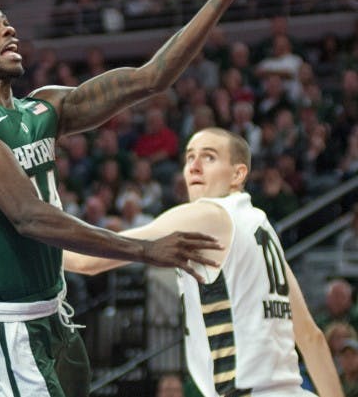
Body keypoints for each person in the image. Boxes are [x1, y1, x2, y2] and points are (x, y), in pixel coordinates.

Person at [0, 0, 294, 397]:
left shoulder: (44, 107)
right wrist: (143, 250)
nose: (8, 29)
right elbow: (29, 216)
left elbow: (151, 77)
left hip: (53, 313)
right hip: (4, 323)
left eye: (7, 21)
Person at [64, 128, 343, 397]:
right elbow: (311, 338)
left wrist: (29, 233)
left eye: (209, 157)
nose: (194, 167)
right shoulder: (260, 224)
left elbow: (87, 261)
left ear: (238, 174)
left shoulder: (207, 215)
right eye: (189, 157)